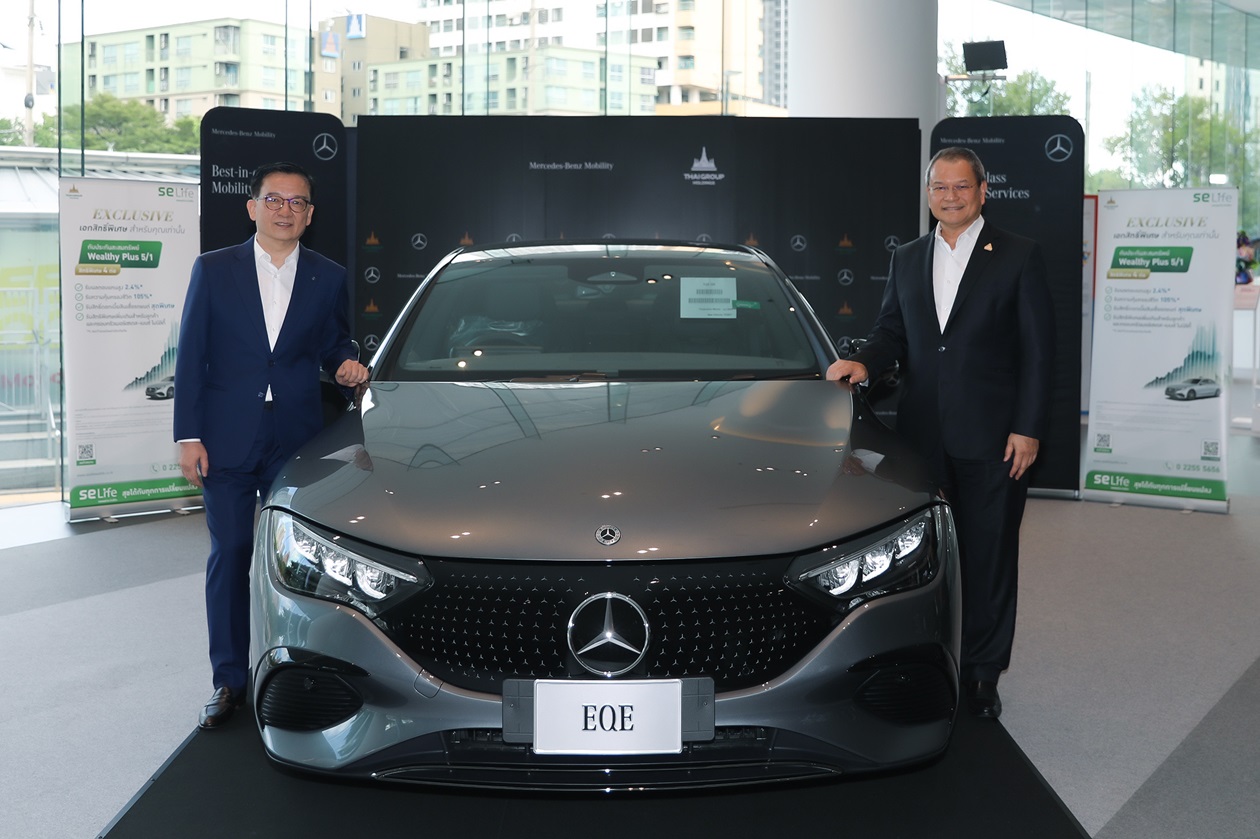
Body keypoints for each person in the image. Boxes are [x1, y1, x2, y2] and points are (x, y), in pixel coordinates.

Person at [826, 146, 1054, 720]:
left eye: (961, 187)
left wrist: (1028, 428)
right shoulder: (907, 257)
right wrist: (864, 363)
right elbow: (891, 332)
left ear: (982, 191)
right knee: (920, 557)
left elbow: (1039, 353)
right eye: (939, 187)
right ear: (928, 194)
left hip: (996, 439)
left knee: (990, 557)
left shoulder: (1019, 255)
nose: (950, 197)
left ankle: (981, 673)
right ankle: (925, 657)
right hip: (923, 439)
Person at [174, 161, 369, 729]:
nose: (286, 210)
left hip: (296, 440)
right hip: (225, 439)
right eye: (274, 199)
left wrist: (346, 366)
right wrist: (188, 436)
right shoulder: (214, 269)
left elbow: (333, 344)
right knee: (232, 553)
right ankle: (228, 681)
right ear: (252, 207)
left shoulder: (328, 276)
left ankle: (301, 674)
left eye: (297, 202)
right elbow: (191, 354)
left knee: (302, 563)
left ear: (310, 215)